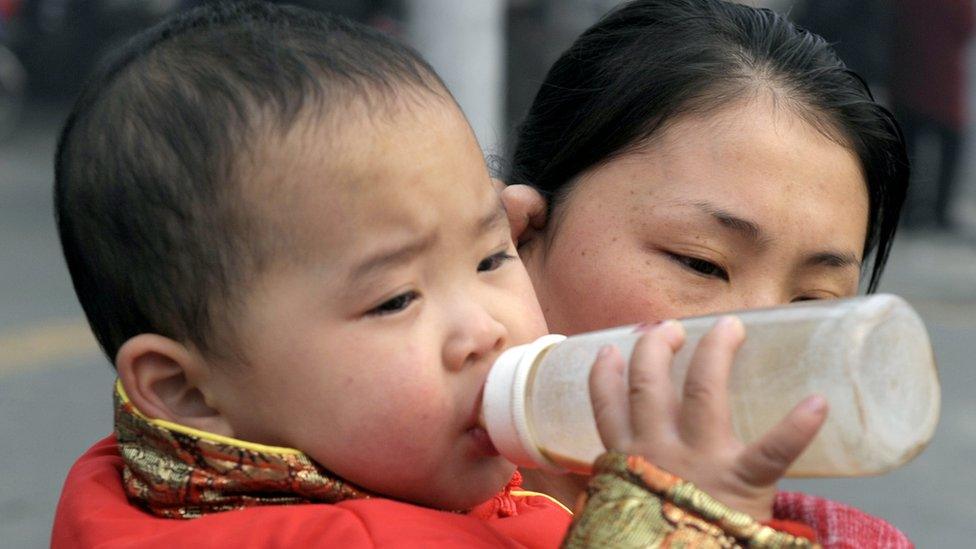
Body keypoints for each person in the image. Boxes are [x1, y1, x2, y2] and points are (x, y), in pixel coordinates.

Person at [51, 2, 822, 547]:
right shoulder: (354, 536)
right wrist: (688, 520)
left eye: (492, 256)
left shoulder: (158, 485)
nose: (484, 327)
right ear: (185, 389)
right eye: (394, 299)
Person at [500, 0, 913, 546]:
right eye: (702, 262)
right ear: (519, 236)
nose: (754, 343)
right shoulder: (369, 518)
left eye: (813, 302)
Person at [890, 0, 974, 230]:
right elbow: (966, 25)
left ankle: (907, 210)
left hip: (908, 72)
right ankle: (939, 210)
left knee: (908, 147)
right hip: (943, 79)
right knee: (950, 144)